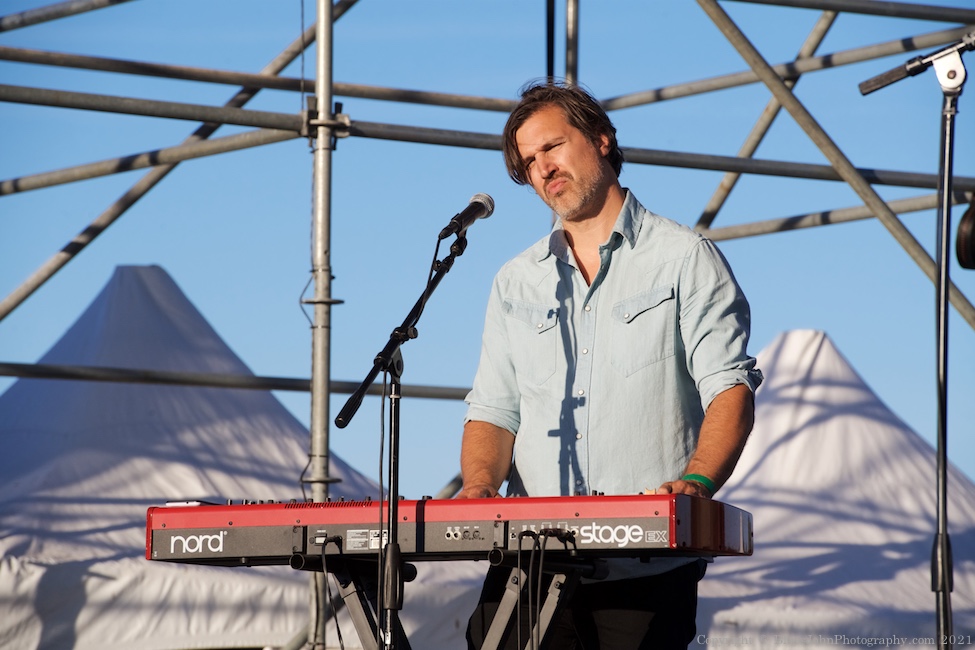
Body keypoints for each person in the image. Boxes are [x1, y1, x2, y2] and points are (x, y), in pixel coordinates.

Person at [456, 80, 763, 649]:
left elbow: (730, 390)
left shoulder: (683, 258)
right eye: (528, 162)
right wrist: (478, 487)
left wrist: (696, 483)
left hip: (644, 572)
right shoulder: (514, 280)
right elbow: (494, 411)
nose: (541, 168)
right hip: (528, 567)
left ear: (601, 139)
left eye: (551, 147)